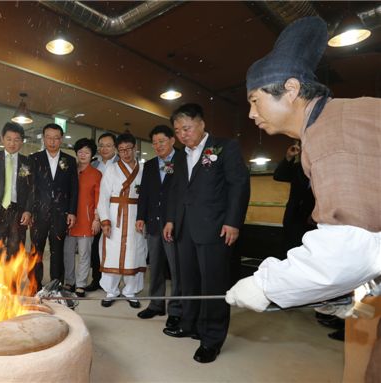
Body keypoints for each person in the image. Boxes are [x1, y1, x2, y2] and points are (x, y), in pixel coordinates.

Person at [226, 17, 381, 380]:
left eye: (255, 99)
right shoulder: (332, 123)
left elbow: (347, 248)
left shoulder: (333, 134)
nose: (250, 113)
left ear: (291, 89)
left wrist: (266, 285)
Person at [163, 103, 250, 363]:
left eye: (187, 128)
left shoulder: (225, 147)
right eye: (177, 131)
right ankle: (190, 325)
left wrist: (233, 222)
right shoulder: (179, 156)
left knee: (213, 283)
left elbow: (239, 185)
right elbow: (176, 190)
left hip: (214, 227)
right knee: (188, 281)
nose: (182, 135)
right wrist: (170, 219)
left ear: (201, 124)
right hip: (184, 228)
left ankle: (211, 338)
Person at [135, 125, 182, 328]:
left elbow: (182, 195)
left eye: (161, 141)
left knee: (176, 269)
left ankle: (177, 309)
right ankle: (156, 304)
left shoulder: (184, 160)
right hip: (154, 223)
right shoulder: (151, 164)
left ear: (172, 140)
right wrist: (140, 216)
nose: (157, 146)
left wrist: (173, 219)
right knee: (155, 266)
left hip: (175, 223)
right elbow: (144, 193)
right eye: (154, 142)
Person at [98, 132, 147, 308]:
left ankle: (130, 291)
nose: (125, 153)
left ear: (135, 148)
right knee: (112, 252)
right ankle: (111, 290)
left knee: (135, 252)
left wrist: (144, 217)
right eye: (121, 150)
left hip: (135, 216)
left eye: (128, 149)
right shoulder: (112, 169)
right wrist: (105, 220)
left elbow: (147, 197)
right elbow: (103, 196)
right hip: (114, 214)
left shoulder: (143, 169)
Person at [29, 123, 78, 289]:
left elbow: (74, 188)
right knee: (37, 250)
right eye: (48, 138)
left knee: (57, 251)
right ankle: (34, 284)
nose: (52, 141)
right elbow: (29, 187)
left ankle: (56, 285)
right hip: (38, 213)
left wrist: (72, 212)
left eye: (56, 138)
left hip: (60, 213)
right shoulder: (34, 159)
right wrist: (29, 211)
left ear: (61, 139)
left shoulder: (69, 161)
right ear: (43, 139)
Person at [0, 122, 33, 259]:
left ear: (22, 141)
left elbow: (31, 188)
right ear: (2, 139)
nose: (12, 143)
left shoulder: (26, 162)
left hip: (17, 211)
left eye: (16, 140)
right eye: (9, 139)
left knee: (15, 249)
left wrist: (28, 210)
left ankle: (11, 281)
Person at [63, 138, 102, 297]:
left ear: (92, 154)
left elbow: (99, 198)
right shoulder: (69, 169)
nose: (83, 155)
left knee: (85, 254)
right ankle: (69, 281)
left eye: (87, 152)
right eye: (80, 152)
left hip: (87, 220)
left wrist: (96, 219)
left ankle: (80, 284)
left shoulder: (96, 174)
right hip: (69, 219)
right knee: (68, 252)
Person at [87, 132, 118, 292]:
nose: (104, 149)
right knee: (94, 248)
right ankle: (96, 279)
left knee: (113, 248)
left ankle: (112, 283)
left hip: (115, 213)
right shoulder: (93, 165)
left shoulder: (121, 164)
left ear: (115, 147)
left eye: (108, 145)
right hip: (95, 214)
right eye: (101, 145)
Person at [273, 141, 316, 253]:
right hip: (293, 219)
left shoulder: (326, 170)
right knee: (289, 252)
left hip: (313, 220)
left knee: (309, 254)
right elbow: (278, 176)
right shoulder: (298, 168)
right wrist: (289, 157)